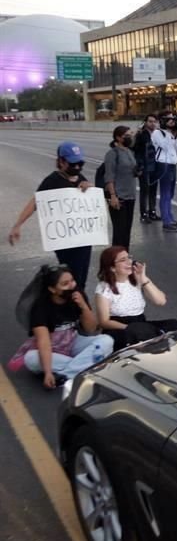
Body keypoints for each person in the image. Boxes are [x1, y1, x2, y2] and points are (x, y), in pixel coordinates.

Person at [8, 142, 95, 292]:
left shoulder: (79, 176)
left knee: (81, 278)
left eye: (80, 163)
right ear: (61, 161)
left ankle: (78, 305)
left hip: (83, 239)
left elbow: (92, 202)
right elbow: (35, 202)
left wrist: (90, 188)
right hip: (64, 241)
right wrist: (18, 225)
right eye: (73, 163)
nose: (77, 167)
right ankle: (73, 305)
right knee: (72, 278)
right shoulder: (52, 181)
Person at [9, 265, 113, 389]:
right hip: (52, 351)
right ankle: (86, 364)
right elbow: (44, 342)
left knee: (106, 340)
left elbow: (91, 329)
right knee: (30, 359)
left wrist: (83, 306)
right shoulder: (40, 307)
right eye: (65, 284)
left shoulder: (77, 295)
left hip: (72, 342)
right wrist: (47, 372)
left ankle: (65, 375)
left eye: (72, 281)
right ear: (52, 289)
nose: (71, 286)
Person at [94, 247, 177, 350]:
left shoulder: (136, 278)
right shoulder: (104, 288)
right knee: (133, 335)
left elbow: (161, 301)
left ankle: (150, 337)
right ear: (112, 268)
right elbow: (104, 322)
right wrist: (129, 328)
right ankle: (153, 337)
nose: (129, 262)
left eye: (129, 257)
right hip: (119, 327)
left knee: (174, 324)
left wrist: (143, 279)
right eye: (123, 260)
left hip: (140, 322)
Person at [103, 126, 139, 249]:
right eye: (127, 135)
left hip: (130, 195)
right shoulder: (112, 154)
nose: (130, 137)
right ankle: (116, 258)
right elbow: (109, 177)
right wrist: (113, 196)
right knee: (119, 230)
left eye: (131, 134)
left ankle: (125, 255)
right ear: (118, 137)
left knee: (127, 230)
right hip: (119, 196)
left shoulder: (130, 151)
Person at [152, 112, 177, 232]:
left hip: (172, 165)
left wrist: (175, 136)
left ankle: (170, 218)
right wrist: (170, 135)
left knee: (170, 194)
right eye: (169, 119)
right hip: (162, 164)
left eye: (173, 119)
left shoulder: (172, 133)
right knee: (165, 194)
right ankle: (166, 221)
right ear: (163, 120)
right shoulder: (157, 132)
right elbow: (164, 146)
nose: (172, 121)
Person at [132, 114, 160, 223]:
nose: (152, 123)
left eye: (154, 121)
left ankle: (152, 212)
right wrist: (140, 166)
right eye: (150, 121)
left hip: (155, 166)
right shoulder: (141, 135)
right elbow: (136, 151)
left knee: (153, 190)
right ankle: (143, 214)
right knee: (144, 191)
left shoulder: (157, 134)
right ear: (146, 122)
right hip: (145, 167)